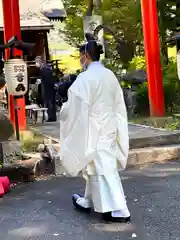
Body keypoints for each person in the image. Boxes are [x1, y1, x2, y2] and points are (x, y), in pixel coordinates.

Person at [59, 36, 130, 222]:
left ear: (86, 56)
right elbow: (118, 104)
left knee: (104, 168)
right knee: (95, 166)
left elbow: (76, 104)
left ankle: (119, 209)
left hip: (95, 128)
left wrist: (64, 113)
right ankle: (88, 200)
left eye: (81, 56)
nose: (80, 60)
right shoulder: (110, 75)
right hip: (109, 126)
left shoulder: (86, 77)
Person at [35, 56, 57, 122]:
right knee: (51, 103)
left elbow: (46, 79)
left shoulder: (45, 69)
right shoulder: (47, 68)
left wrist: (40, 80)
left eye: (36, 62)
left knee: (50, 103)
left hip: (48, 88)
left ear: (40, 62)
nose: (36, 63)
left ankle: (51, 117)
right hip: (50, 87)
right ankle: (52, 117)